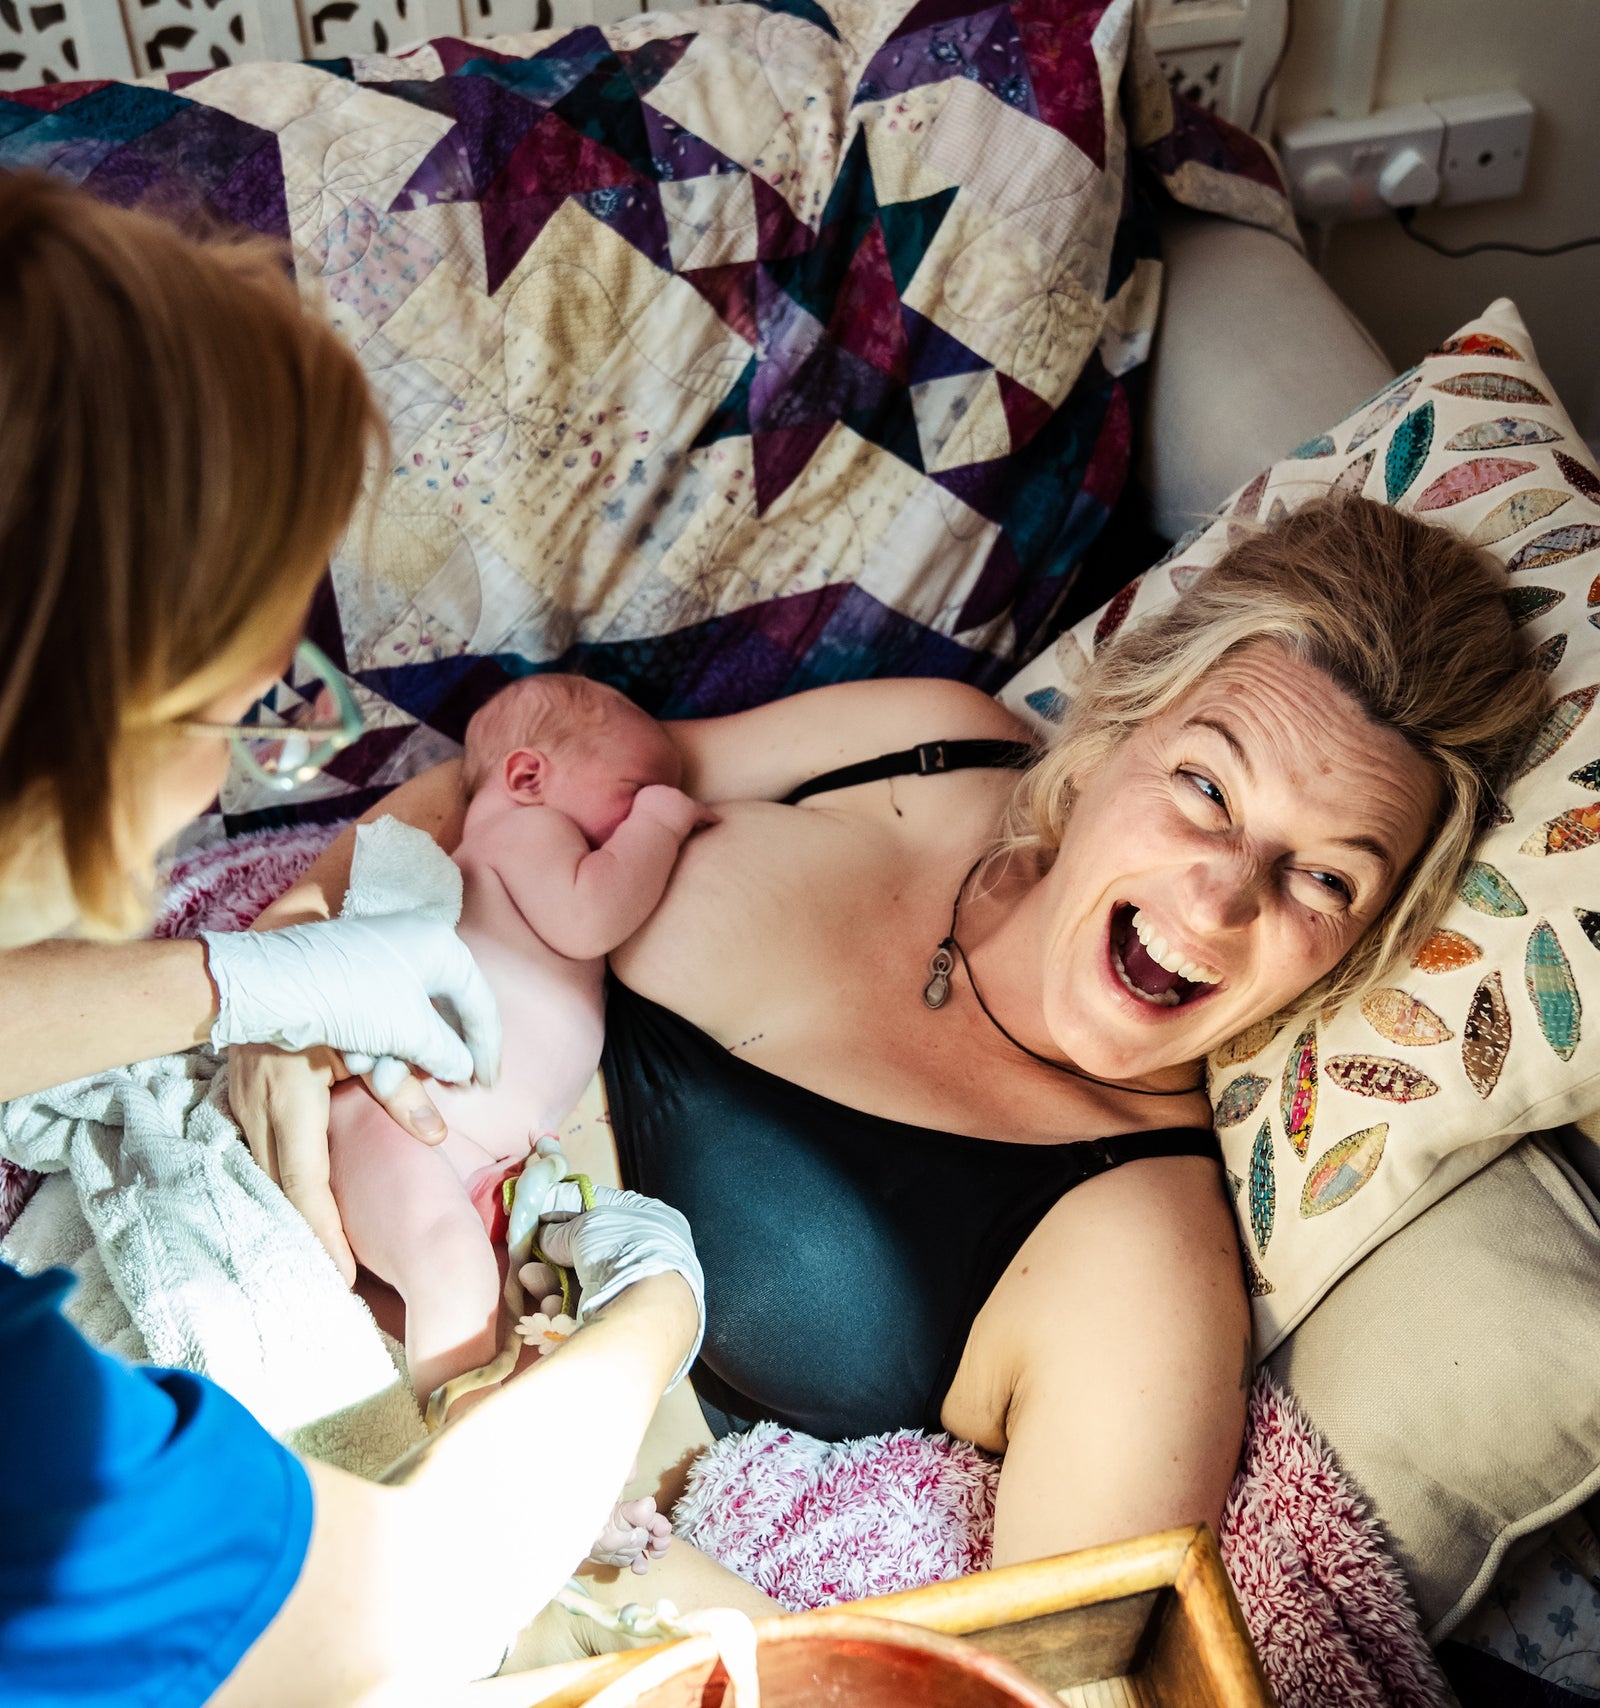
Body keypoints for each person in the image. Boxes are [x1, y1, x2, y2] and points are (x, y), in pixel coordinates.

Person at [243, 494, 1547, 1583]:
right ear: (1108, 740)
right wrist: (289, 963)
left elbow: (1053, 1673)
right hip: (248, 1173)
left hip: (386, 1514)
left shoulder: (1141, 1265)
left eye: (1325, 881)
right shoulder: (919, 745)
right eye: (1206, 786)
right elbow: (500, 791)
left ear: (1367, 945)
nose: (1222, 897)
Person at [0, 170, 731, 1707]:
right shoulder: (42, 1454)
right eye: (233, 710)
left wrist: (231, 980)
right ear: (58, 727)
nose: (228, 780)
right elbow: (408, 1613)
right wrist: (652, 1311)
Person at [328, 674, 712, 1417]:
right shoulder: (524, 832)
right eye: (633, 790)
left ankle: (490, 1432)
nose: (641, 809)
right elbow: (592, 915)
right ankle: (471, 1458)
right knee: (454, 1271)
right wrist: (661, 822)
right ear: (528, 776)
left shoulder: (534, 838)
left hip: (465, 1156)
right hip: (396, 1117)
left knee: (494, 1319)